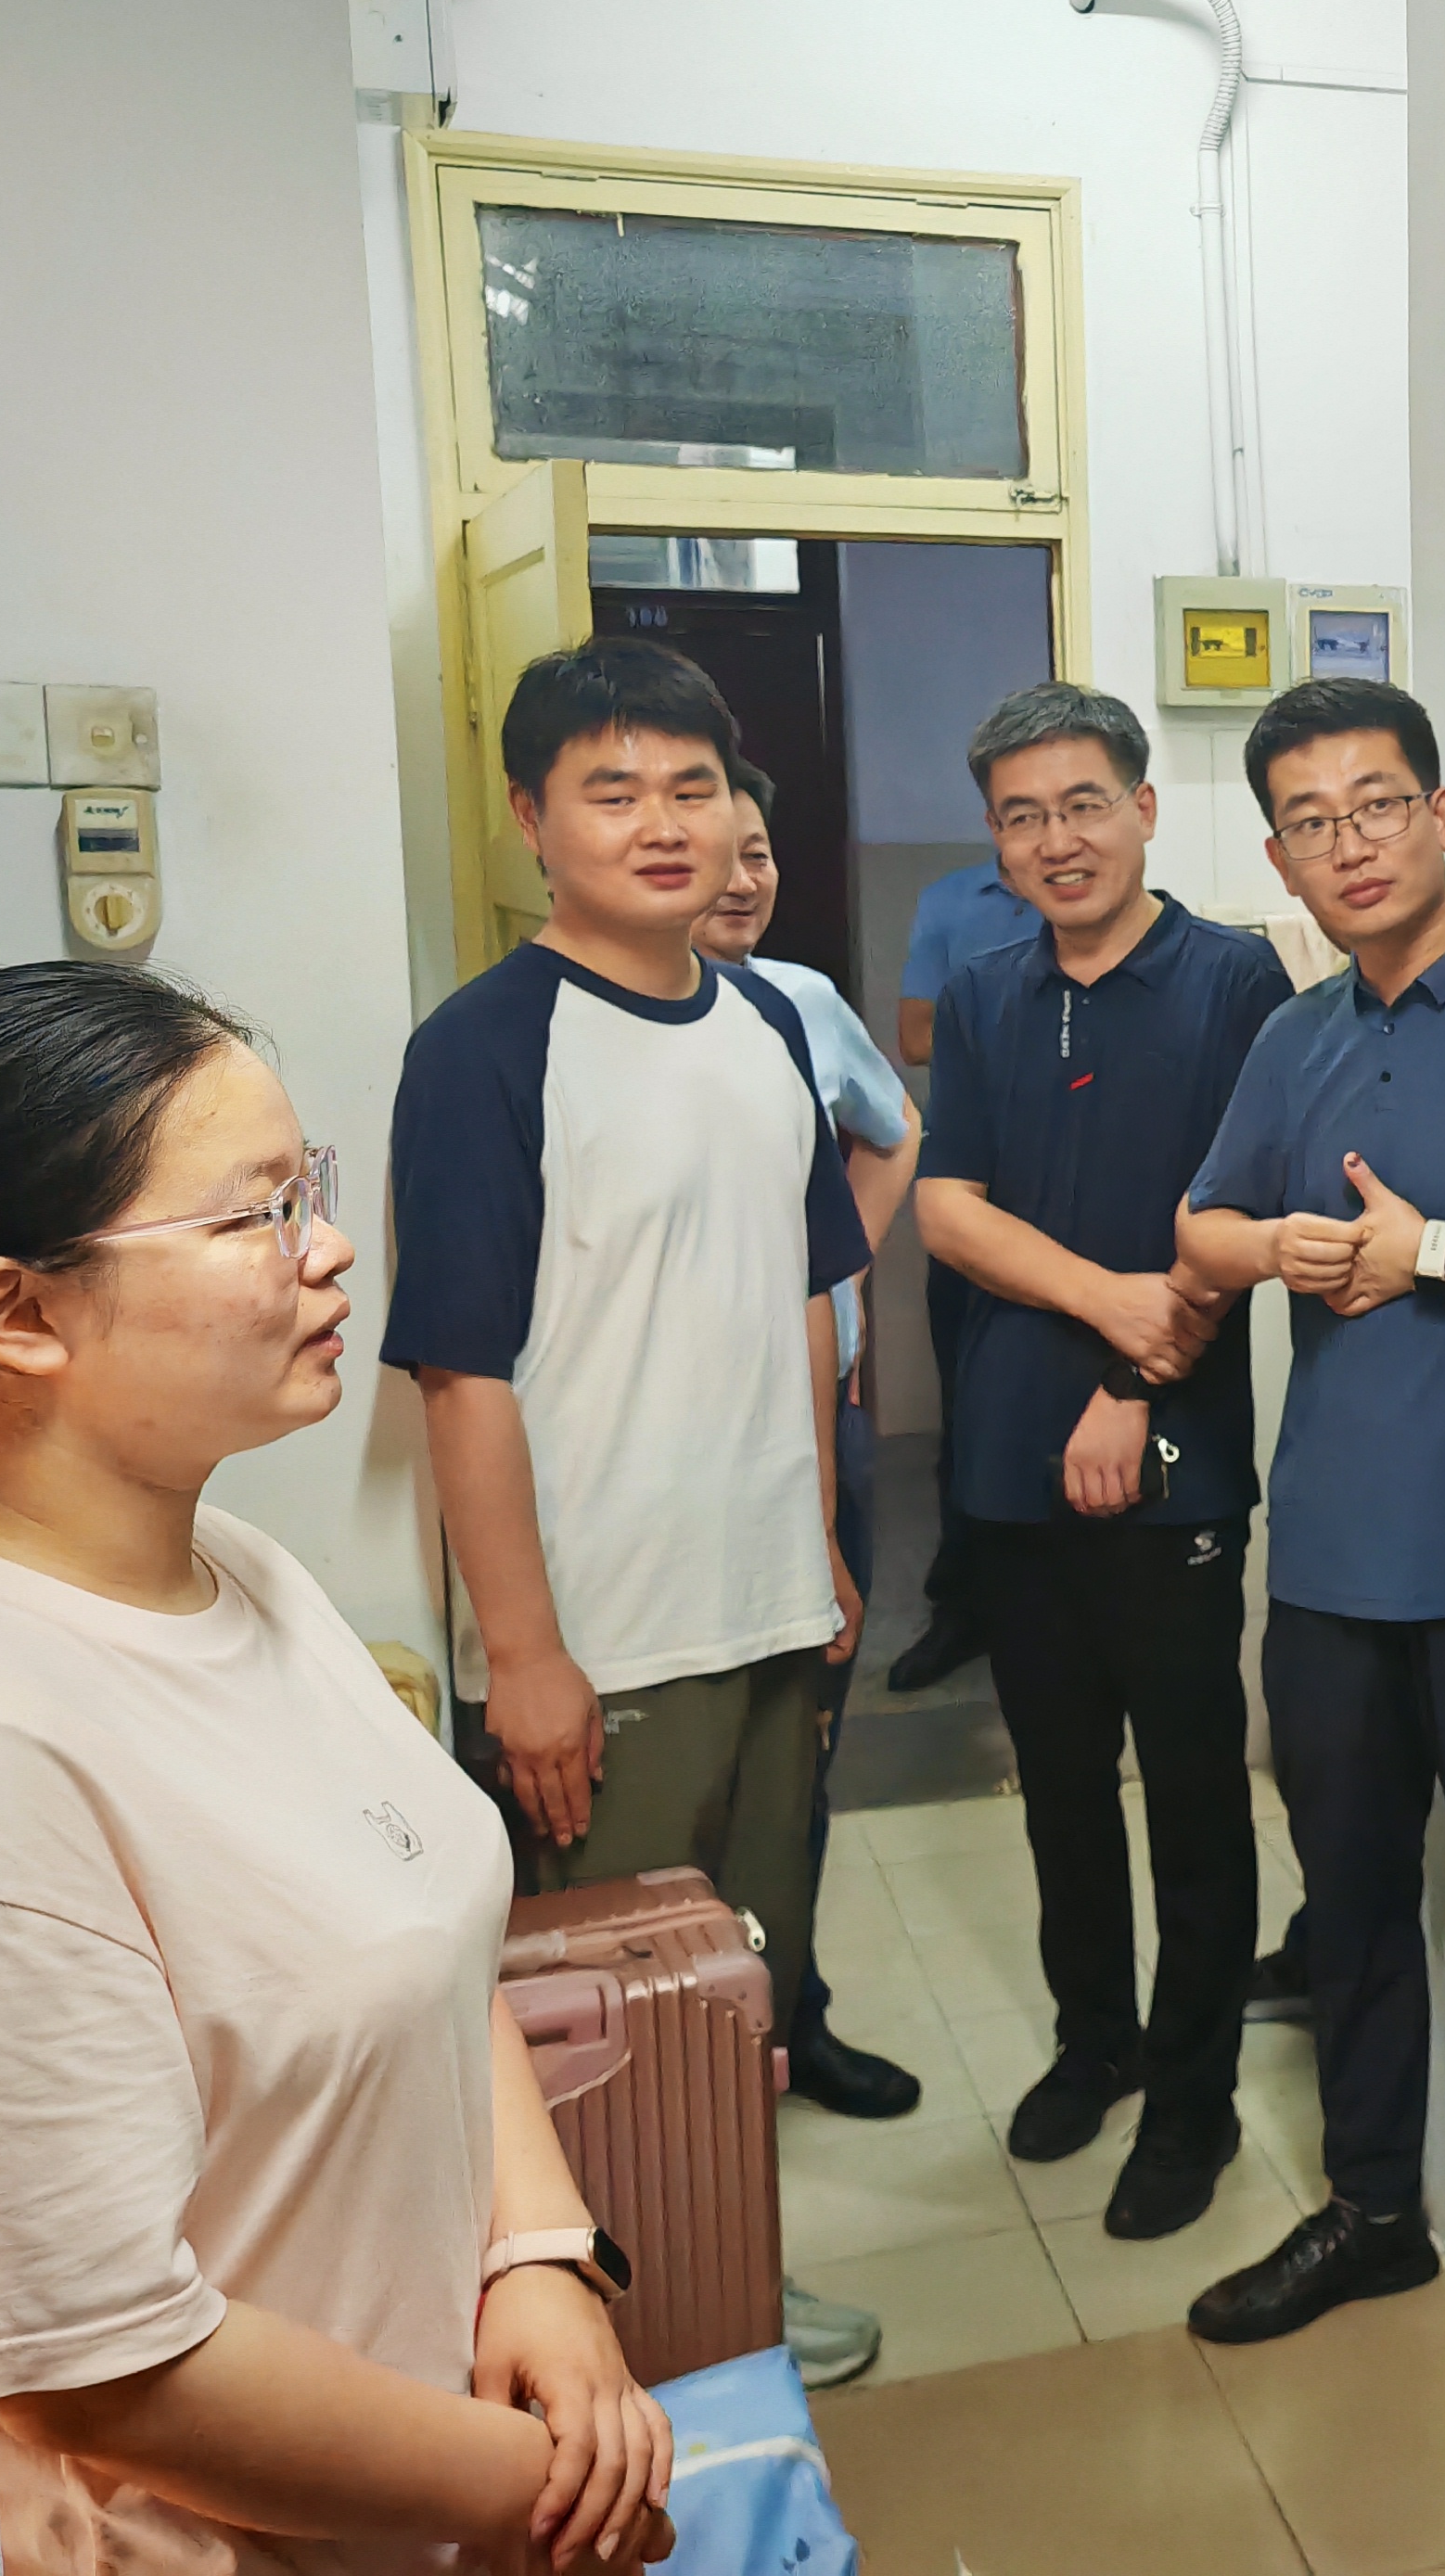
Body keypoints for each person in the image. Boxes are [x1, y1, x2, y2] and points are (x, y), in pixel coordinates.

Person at [0, 961, 672, 2575]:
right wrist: (542, 2494)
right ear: (15, 1312)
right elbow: (107, 2365)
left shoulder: (237, 1563)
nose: (325, 1248)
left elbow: (424, 1925)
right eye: (257, 1214)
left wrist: (540, 2257)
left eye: (304, 1188)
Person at [386, 637, 884, 2386]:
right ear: (532, 818)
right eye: (613, 791)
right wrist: (525, 1656)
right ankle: (615, 2347)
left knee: (745, 1997)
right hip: (607, 1637)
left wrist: (821, 1545)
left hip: (768, 1600)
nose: (666, 824)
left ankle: (727, 2304)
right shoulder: (484, 1049)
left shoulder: (768, 1021)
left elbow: (809, 1304)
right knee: (600, 2025)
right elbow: (462, 1374)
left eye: (695, 786)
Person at [1170, 679, 1445, 2437]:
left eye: (1375, 805)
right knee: (1347, 1910)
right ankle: (1372, 2211)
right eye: (1309, 821)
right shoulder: (1294, 1032)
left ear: (1439, 815)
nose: (1347, 845)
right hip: (1332, 1557)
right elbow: (1198, 1224)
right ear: (1277, 857)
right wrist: (1277, 1245)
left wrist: (1424, 1249)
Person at [914, 680, 1292, 2238]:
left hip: (1173, 1448)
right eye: (1022, 816)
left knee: (1193, 1791)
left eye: (1082, 803)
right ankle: (1099, 2041)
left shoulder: (1232, 979)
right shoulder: (985, 993)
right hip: (1011, 1455)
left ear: (1142, 808)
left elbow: (1243, 1213)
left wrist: (1140, 1375)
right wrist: (1101, 1302)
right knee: (1058, 1785)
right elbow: (947, 1207)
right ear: (994, 839)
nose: (1056, 839)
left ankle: (1194, 2096)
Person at [695, 763, 927, 2123]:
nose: (743, 878)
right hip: (674, 1443)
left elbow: (892, 1136)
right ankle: (683, 2053)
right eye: (717, 850)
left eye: (760, 851)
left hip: (817, 1423)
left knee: (801, 1756)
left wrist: (836, 1274)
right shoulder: (570, 1023)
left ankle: (794, 2014)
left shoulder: (799, 1002)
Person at [885, 848, 1044, 1696]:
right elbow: (914, 1036)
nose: (1052, 834)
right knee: (970, 1405)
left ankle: (1063, 1604)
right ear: (994, 818)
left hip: (1072, 1187)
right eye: (1023, 810)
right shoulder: (951, 901)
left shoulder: (1101, 894)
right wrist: (1038, 1012)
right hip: (972, 1191)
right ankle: (965, 1605)